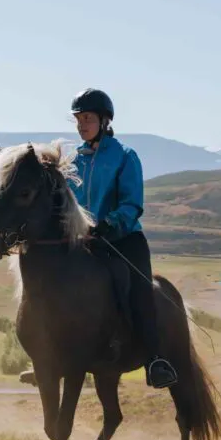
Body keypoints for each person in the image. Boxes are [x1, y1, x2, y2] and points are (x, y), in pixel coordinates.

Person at [68, 89, 180, 389]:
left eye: (87, 118)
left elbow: (132, 203)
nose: (81, 125)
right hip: (85, 242)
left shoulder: (125, 156)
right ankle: (51, 355)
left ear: (104, 121)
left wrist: (108, 224)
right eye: (78, 119)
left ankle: (155, 360)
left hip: (123, 240)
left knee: (140, 293)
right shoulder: (74, 162)